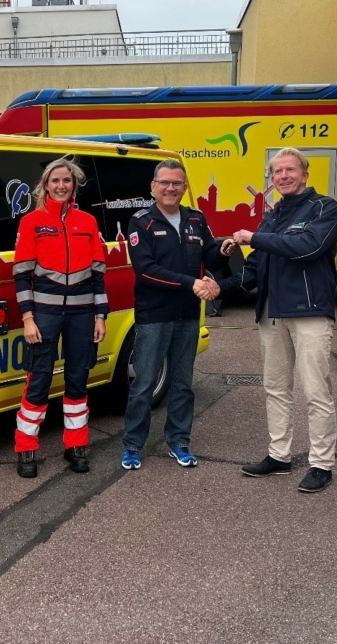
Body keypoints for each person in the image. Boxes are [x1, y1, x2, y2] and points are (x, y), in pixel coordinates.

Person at [219, 147, 337, 493]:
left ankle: (321, 464)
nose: (283, 176)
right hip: (271, 314)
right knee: (275, 388)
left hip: (309, 312)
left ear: (305, 174)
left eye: (290, 170)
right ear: (272, 180)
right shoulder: (271, 216)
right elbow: (256, 268)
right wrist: (220, 288)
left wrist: (253, 237)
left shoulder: (324, 208)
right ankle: (279, 455)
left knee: (316, 390)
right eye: (277, 172)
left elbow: (307, 246)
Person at [121, 159, 226, 470]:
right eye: (164, 182)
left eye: (177, 183)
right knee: (143, 384)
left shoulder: (196, 218)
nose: (170, 188)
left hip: (188, 316)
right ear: (153, 187)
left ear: (184, 187)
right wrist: (191, 282)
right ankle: (132, 445)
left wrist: (223, 251)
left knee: (182, 384)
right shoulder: (141, 221)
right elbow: (147, 271)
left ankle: (179, 441)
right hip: (154, 316)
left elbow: (211, 257)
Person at [13, 157, 108, 478]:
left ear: (74, 185)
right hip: (44, 313)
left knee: (78, 379)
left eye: (66, 180)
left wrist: (100, 315)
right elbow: (21, 274)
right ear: (45, 185)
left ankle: (76, 445)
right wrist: (27, 318)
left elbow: (98, 274)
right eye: (55, 180)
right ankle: (26, 449)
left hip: (83, 313)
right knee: (38, 380)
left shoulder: (88, 222)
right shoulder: (31, 222)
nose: (61, 185)